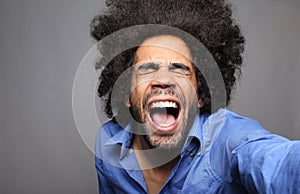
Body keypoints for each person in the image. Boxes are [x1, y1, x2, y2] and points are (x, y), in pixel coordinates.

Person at [90, 0, 300, 193]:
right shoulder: (108, 143)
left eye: (179, 68)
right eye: (148, 68)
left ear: (200, 95)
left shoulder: (229, 141)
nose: (163, 79)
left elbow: (277, 163)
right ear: (126, 94)